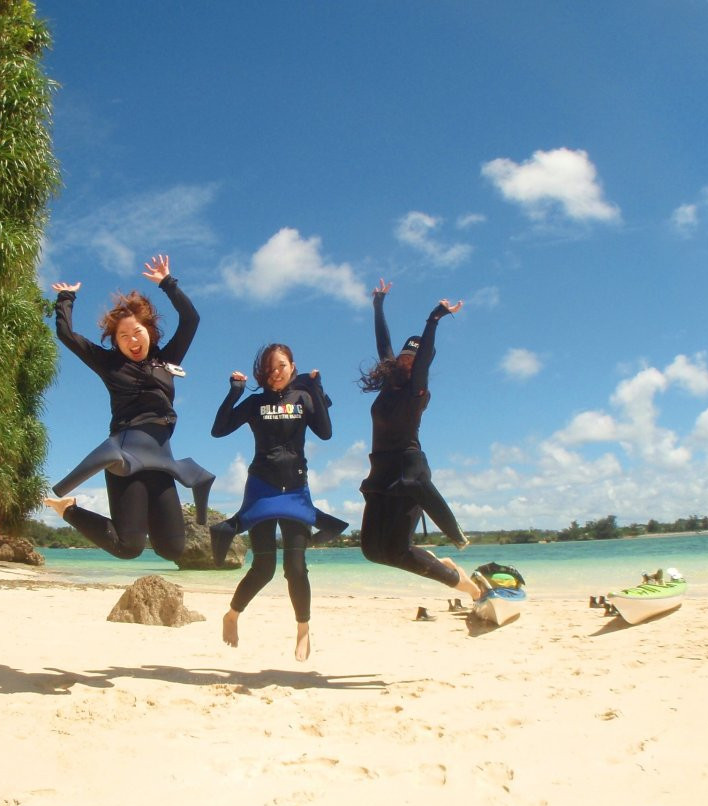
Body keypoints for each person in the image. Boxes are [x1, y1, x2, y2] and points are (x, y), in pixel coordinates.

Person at [44, 255, 214, 560]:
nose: (132, 340)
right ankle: (68, 510)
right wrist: (66, 298)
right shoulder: (110, 365)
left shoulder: (167, 359)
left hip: (162, 458)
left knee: (174, 548)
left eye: (137, 332)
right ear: (116, 342)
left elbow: (192, 320)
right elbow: (67, 335)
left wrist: (167, 283)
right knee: (129, 546)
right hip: (125, 457)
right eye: (123, 336)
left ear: (149, 330)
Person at [210, 343, 347, 661]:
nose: (276, 373)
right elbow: (219, 430)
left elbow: (325, 433)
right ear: (263, 372)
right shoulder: (255, 403)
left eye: (281, 366)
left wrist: (317, 388)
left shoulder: (304, 399)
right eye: (270, 368)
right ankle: (232, 614)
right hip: (261, 488)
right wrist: (234, 393)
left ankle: (303, 629)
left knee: (295, 568)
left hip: (296, 490)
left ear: (292, 366)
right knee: (263, 568)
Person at [358, 278, 472, 603]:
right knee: (371, 551)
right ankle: (444, 567)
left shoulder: (416, 390)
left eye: (415, 358)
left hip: (408, 473)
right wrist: (378, 304)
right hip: (380, 472)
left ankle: (460, 581)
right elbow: (383, 343)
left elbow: (421, 362)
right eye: (405, 357)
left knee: (397, 550)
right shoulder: (389, 385)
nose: (408, 361)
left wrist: (433, 319)